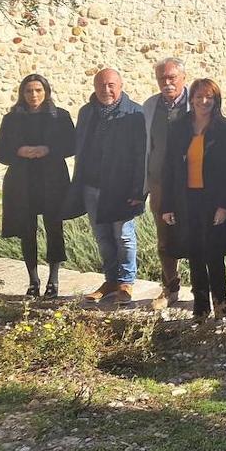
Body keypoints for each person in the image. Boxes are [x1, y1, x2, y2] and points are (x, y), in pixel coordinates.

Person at [160, 78, 226, 320]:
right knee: (194, 253)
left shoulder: (225, 128)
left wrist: (224, 205)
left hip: (214, 201)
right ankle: (200, 307)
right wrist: (167, 205)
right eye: (199, 96)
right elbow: (169, 167)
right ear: (191, 98)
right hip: (186, 199)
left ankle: (221, 306)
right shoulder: (179, 126)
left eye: (209, 97)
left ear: (216, 100)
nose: (203, 101)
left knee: (214, 255)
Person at [63, 68, 147, 305]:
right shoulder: (87, 112)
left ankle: (126, 282)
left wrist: (139, 191)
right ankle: (110, 280)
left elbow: (142, 155)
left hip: (121, 188)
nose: (106, 90)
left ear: (120, 85)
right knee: (102, 236)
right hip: (92, 186)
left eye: (111, 85)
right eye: (101, 85)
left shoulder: (135, 113)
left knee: (124, 237)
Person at [0, 74, 75, 297]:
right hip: (22, 181)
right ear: (22, 93)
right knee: (26, 231)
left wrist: (48, 150)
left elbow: (72, 145)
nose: (33, 95)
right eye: (29, 91)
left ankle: (54, 280)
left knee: (54, 229)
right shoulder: (11, 119)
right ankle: (33, 280)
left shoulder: (60, 116)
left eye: (38, 90)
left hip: (52, 180)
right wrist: (19, 151)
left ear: (46, 92)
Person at [143, 57, 191, 310]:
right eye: (162, 78)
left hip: (192, 183)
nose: (167, 82)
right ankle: (170, 287)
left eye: (172, 77)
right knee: (165, 240)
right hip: (160, 182)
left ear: (183, 77)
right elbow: (145, 147)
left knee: (198, 236)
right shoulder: (150, 106)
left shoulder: (199, 101)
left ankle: (204, 291)